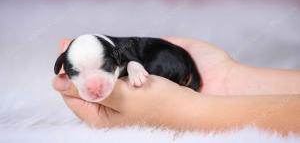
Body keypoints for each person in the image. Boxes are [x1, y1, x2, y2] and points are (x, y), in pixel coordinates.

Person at [52, 37, 300, 134]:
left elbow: (133, 63)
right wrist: (229, 77)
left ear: (115, 58)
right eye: (77, 74)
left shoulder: (120, 52)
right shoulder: (105, 51)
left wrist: (184, 109)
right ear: (63, 66)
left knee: (148, 65)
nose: (93, 86)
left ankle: (184, 83)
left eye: (105, 68)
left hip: (169, 60)